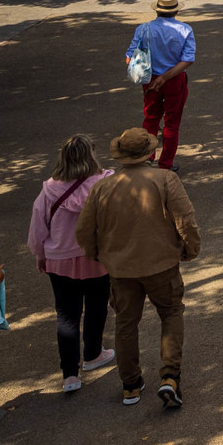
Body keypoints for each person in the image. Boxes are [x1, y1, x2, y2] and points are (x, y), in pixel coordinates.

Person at [75, 126, 201, 410]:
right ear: (149, 153)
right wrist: (190, 248)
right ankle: (170, 377)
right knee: (171, 313)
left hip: (121, 269)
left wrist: (99, 255)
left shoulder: (102, 187)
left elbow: (84, 230)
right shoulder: (165, 179)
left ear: (120, 155)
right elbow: (185, 219)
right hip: (162, 264)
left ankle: (130, 384)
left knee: (126, 322)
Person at [28, 135, 114, 393]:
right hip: (97, 257)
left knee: (67, 315)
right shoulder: (105, 183)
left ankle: (70, 375)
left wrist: (40, 255)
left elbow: (38, 229)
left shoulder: (49, 190)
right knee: (97, 307)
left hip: (60, 261)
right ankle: (93, 353)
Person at [126, 0, 195, 171]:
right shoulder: (185, 30)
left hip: (150, 79)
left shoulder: (143, 29)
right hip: (175, 79)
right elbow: (188, 59)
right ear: (176, 11)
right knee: (172, 123)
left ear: (157, 10)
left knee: (151, 119)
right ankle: (166, 165)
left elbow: (129, 57)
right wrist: (165, 77)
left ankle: (147, 159)